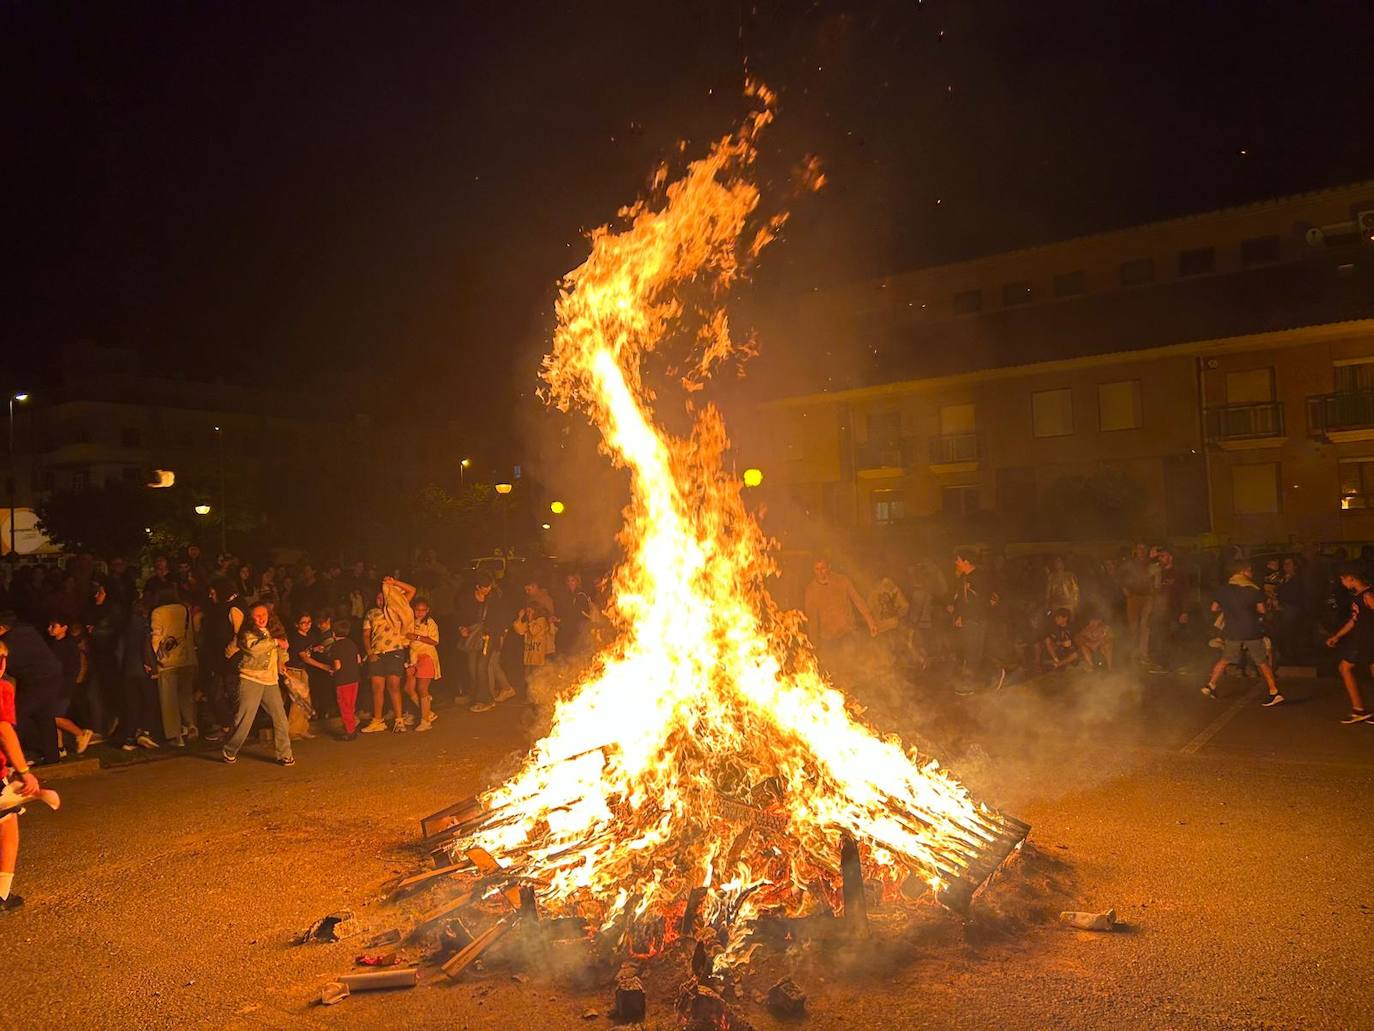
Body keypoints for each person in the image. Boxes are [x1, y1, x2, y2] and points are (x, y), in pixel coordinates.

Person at [0, 639, 44, 912]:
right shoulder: (2, 688)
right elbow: (4, 730)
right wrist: (24, 771)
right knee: (7, 828)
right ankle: (1, 894)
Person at [221, 602, 294, 766]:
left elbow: (282, 651)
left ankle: (284, 754)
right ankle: (229, 749)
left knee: (281, 718)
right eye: (257, 616)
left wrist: (281, 661)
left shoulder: (274, 631)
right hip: (251, 678)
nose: (261, 618)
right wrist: (275, 643)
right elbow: (255, 649)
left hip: (271, 681)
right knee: (244, 719)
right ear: (251, 618)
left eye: (264, 615)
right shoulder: (247, 634)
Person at [1203, 559, 1282, 705]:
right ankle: (1274, 691)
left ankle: (1211, 685)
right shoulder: (1253, 589)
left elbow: (1214, 608)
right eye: (1249, 570)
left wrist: (1228, 609)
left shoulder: (1223, 589)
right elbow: (1262, 610)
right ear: (1242, 571)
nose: (1251, 573)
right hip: (1251, 630)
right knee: (1261, 661)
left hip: (1232, 630)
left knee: (1225, 658)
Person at [0, 611, 65, 766]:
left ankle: (22, 753)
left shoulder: (9, 642)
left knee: (17, 715)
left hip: (35, 680)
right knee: (45, 716)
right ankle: (52, 755)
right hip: (51, 676)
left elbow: (7, 666)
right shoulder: (28, 631)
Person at [361, 577, 416, 733]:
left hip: (395, 651)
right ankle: (378, 720)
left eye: (383, 597)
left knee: (394, 686)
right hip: (377, 653)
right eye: (378, 598)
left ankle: (399, 720)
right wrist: (369, 652)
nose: (380, 600)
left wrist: (394, 583)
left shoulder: (397, 608)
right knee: (377, 687)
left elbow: (412, 590)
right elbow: (366, 635)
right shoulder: (371, 613)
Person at [1323, 566, 1374, 724]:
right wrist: (1337, 636)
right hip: (1364, 639)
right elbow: (1354, 620)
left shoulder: (1367, 595)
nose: (1342, 582)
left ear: (1351, 578)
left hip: (1366, 640)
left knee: (1344, 668)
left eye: (1343, 579)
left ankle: (1358, 709)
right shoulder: (1359, 595)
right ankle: (1358, 708)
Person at [803, 559, 877, 667]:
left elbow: (858, 600)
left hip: (848, 632)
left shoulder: (842, 581)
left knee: (851, 664)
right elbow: (812, 619)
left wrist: (870, 622)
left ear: (829, 567)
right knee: (833, 669)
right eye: (817, 569)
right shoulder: (811, 590)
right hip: (828, 637)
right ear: (813, 570)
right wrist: (814, 643)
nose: (820, 572)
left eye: (823, 568)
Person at [149, 588, 198, 746]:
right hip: (186, 658)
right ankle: (191, 724)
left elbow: (156, 637)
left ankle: (175, 735)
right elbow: (189, 634)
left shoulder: (157, 612)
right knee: (185, 695)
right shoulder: (184, 609)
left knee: (168, 699)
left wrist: (157, 657)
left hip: (168, 662)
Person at [950, 550, 1003, 693]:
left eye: (958, 560)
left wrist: (966, 615)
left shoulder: (980, 577)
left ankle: (970, 683)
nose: (956, 563)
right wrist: (959, 615)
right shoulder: (965, 578)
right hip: (971, 619)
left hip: (977, 619)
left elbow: (983, 601)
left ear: (966, 562)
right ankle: (974, 681)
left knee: (973, 652)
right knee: (972, 651)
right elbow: (962, 599)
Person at [46, 617, 95, 756]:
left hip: (63, 687)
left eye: (53, 626)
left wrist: (67, 684)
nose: (49, 629)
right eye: (49, 626)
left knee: (55, 717)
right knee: (52, 716)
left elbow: (72, 668)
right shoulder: (51, 644)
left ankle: (80, 733)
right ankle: (60, 748)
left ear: (64, 628)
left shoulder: (69, 646)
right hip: (53, 686)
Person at [116, 598, 159, 751]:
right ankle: (145, 731)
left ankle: (129, 737)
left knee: (131, 704)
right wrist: (152, 666)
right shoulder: (144, 626)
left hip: (128, 670)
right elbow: (147, 647)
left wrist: (123, 667)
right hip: (143, 670)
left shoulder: (125, 628)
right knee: (149, 700)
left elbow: (119, 650)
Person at [403, 597, 441, 731]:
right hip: (413, 658)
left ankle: (425, 721)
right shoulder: (410, 622)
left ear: (427, 610)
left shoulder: (430, 623)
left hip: (427, 657)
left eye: (423, 610)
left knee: (422, 689)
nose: (420, 613)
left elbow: (435, 641)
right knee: (408, 688)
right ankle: (427, 712)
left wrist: (418, 637)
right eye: (417, 610)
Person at [1117, 542, 1158, 665]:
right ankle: (1133, 654)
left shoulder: (1151, 563)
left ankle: (1143, 655)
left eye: (1144, 548)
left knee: (1145, 627)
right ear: (1136, 550)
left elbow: (1156, 577)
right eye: (1139, 548)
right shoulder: (1130, 563)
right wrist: (1124, 588)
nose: (1141, 550)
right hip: (1133, 597)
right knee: (1133, 627)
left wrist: (1154, 593)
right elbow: (1119, 575)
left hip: (1147, 597)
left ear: (1147, 549)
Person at [328, 618, 362, 740]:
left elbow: (337, 665)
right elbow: (359, 660)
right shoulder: (352, 643)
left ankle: (350, 731)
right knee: (351, 705)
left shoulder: (335, 646)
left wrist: (332, 670)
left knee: (344, 706)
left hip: (343, 680)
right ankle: (351, 726)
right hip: (355, 678)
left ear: (333, 633)